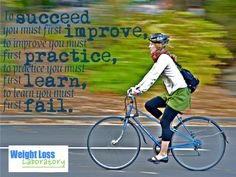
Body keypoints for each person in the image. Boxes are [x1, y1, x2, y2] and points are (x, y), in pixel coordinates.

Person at [128, 33, 191, 164]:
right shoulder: (160, 58)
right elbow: (150, 74)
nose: (149, 46)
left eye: (151, 44)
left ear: (157, 46)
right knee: (149, 105)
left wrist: (140, 91)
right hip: (172, 93)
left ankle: (163, 154)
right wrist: (137, 87)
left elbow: (153, 77)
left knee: (165, 123)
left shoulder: (163, 59)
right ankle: (168, 128)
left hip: (179, 95)